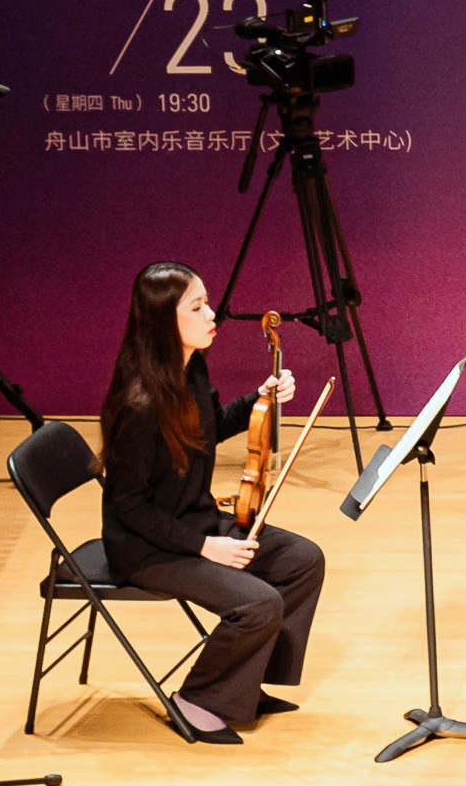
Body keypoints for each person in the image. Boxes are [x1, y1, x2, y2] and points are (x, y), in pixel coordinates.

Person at [95, 261, 317, 745]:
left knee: (302, 560)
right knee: (259, 602)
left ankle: (244, 683)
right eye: (196, 307)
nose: (212, 314)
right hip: (147, 549)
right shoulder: (139, 404)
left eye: (207, 302)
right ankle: (196, 698)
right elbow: (130, 507)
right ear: (164, 322)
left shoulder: (190, 367)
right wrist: (204, 547)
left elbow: (209, 428)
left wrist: (261, 400)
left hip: (193, 521)